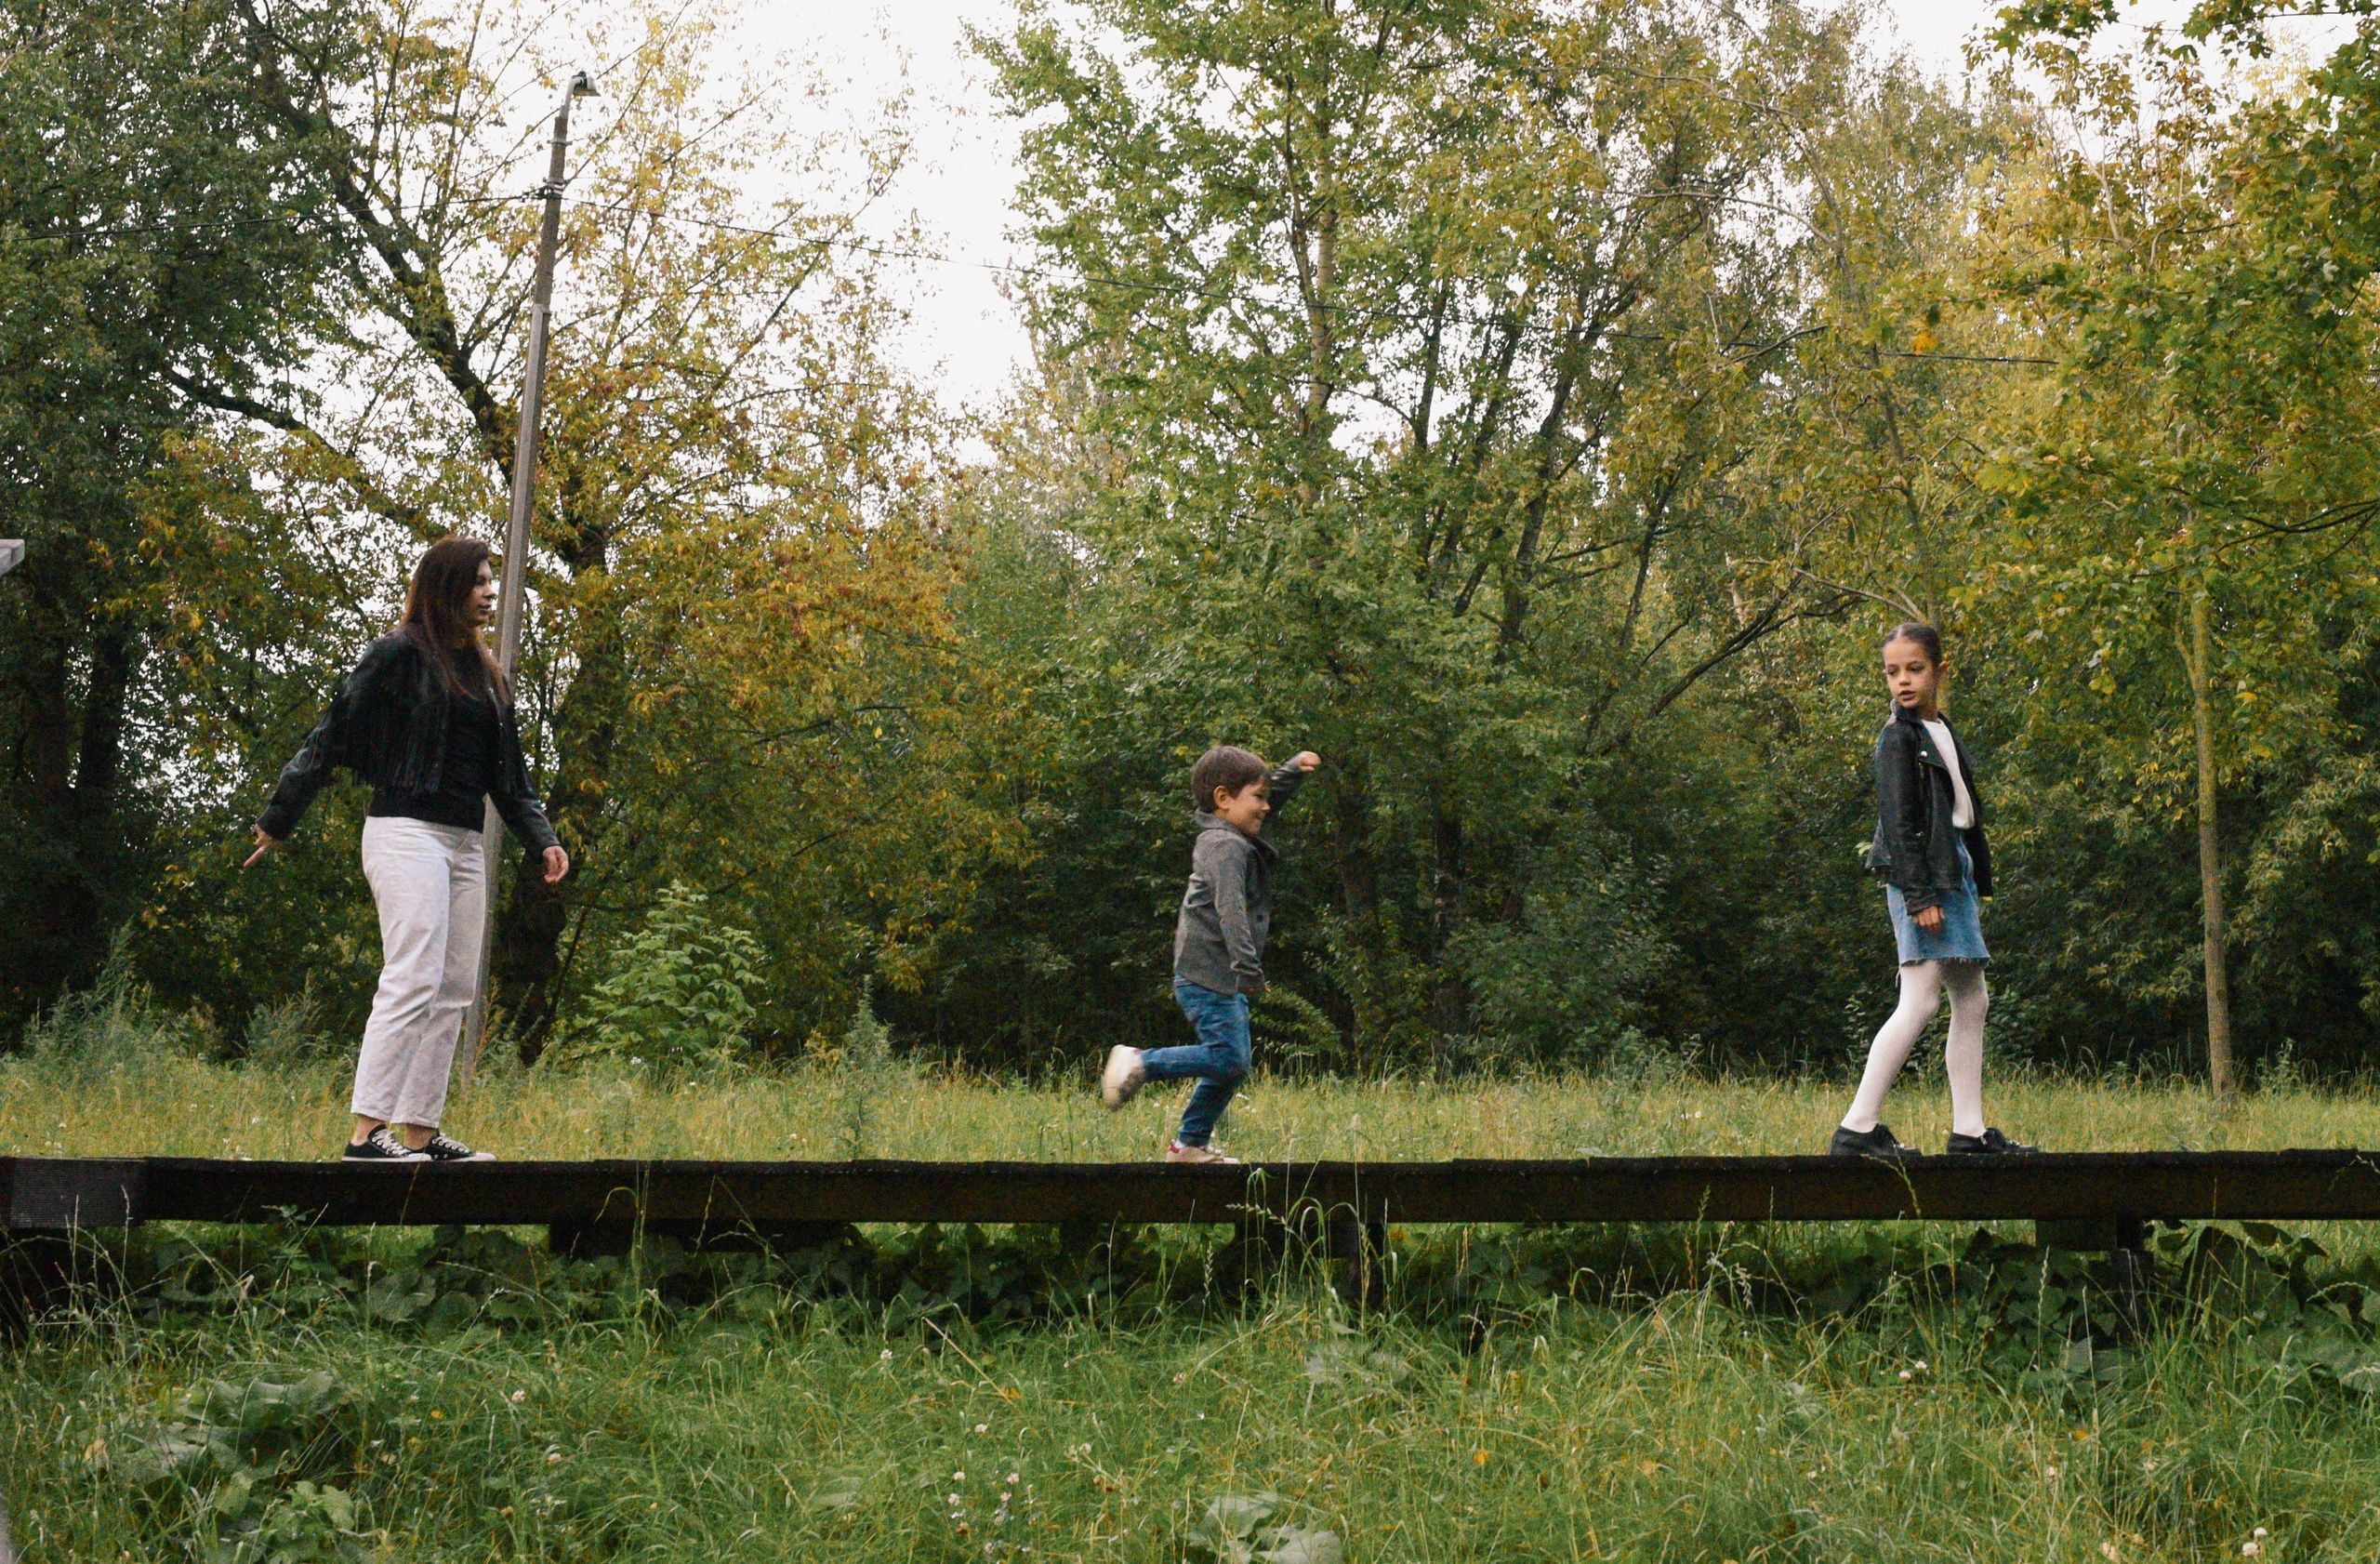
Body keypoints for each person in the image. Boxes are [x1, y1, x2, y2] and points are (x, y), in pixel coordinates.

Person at [245, 537, 569, 1163]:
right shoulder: (396, 655)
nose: (489, 592)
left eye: (490, 582)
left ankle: (420, 1130)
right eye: (477, 581)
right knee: (413, 973)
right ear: (445, 586)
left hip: (465, 842)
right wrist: (279, 818)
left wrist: (544, 839)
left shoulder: (487, 675)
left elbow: (511, 779)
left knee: (454, 986)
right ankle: (366, 1134)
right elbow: (331, 734)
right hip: (403, 831)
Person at [1831, 622, 2035, 1160]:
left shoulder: (1939, 729)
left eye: (1914, 669)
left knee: (1972, 998)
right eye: (1892, 672)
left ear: (1939, 672)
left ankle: (1969, 1132)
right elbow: (1898, 824)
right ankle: (1857, 1127)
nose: (1902, 681)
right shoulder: (1897, 737)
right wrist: (1919, 897)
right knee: (1920, 1001)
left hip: (1954, 871)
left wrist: (1972, 876)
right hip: (1921, 877)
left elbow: (1962, 815)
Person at [1101, 745, 1321, 1163]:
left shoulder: (1229, 834)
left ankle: (1189, 1145)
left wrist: (1291, 772)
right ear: (1223, 798)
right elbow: (1231, 912)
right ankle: (1141, 1063)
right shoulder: (1225, 847)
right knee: (1228, 1057)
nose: (1267, 807)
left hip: (1218, 974)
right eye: (1258, 797)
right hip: (1210, 971)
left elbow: (1260, 801)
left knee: (1232, 1064)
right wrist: (1249, 970)